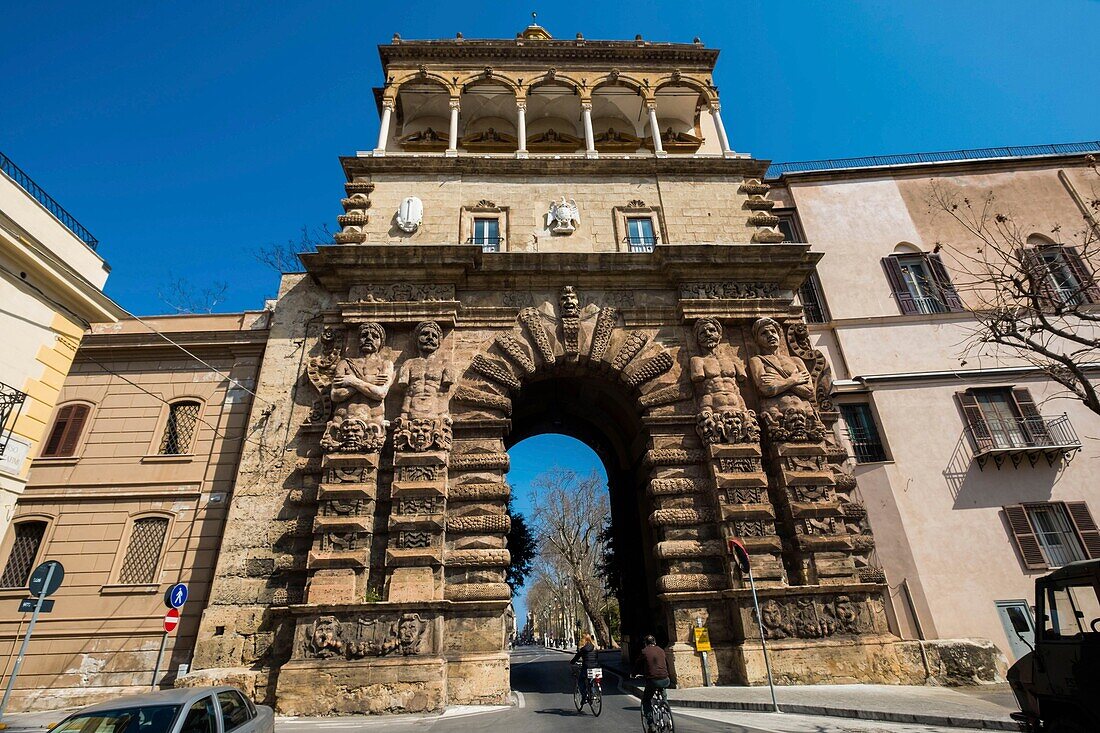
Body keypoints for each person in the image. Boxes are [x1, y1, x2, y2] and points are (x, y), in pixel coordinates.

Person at [633, 634, 670, 723]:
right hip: (665, 679)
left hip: (653, 680)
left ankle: (650, 724)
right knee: (663, 689)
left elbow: (638, 664)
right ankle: (665, 704)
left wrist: (634, 674)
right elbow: (666, 664)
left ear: (645, 643)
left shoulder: (644, 651)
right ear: (655, 642)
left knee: (646, 700)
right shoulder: (661, 650)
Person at [570, 633, 599, 703]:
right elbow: (596, 657)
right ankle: (594, 694)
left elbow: (576, 657)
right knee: (591, 680)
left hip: (586, 667)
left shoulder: (583, 649)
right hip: (595, 667)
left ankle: (584, 696)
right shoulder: (595, 648)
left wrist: (572, 662)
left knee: (580, 681)